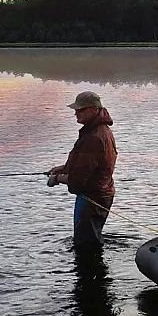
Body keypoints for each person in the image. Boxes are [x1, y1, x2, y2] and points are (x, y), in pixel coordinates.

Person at [47, 91, 117, 248]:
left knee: (85, 246)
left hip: (91, 199)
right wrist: (63, 168)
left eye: (80, 110)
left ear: (93, 109)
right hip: (100, 195)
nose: (76, 114)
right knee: (90, 241)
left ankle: (91, 272)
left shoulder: (93, 137)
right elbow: (88, 163)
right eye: (75, 110)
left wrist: (56, 179)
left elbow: (77, 181)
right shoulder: (100, 130)